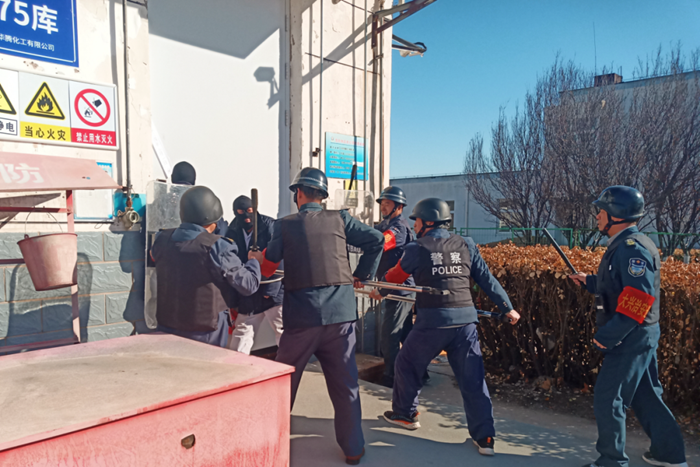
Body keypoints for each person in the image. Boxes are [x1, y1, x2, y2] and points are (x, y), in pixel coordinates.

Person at [248, 167, 384, 465]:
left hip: (302, 320)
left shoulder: (284, 226)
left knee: (284, 381)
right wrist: (361, 275)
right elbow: (377, 240)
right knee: (345, 386)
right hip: (341, 318)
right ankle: (353, 449)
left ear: (298, 193)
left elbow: (269, 269)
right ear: (322, 196)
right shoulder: (341, 219)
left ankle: (266, 443)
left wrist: (256, 259)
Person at [378, 197, 520, 457]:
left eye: (417, 220)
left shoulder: (417, 247)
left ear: (428, 222)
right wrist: (506, 307)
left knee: (406, 363)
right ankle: (485, 438)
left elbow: (397, 276)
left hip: (432, 323)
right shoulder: (466, 244)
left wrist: (381, 289)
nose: (415, 225)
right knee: (473, 379)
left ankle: (405, 414)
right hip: (465, 322)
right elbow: (486, 278)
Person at [569, 186, 687, 467]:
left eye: (601, 211)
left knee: (609, 398)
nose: (597, 216)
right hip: (638, 334)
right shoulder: (628, 243)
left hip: (629, 336)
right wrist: (590, 281)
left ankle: (611, 462)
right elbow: (618, 285)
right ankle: (669, 454)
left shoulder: (631, 248)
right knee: (646, 396)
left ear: (616, 215)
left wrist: (608, 336)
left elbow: (638, 300)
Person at [151, 186, 261, 347]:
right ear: (214, 217)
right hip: (205, 332)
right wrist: (254, 261)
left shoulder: (161, 239)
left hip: (167, 327)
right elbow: (249, 285)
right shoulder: (217, 246)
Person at [367, 186, 417, 388]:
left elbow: (382, 243)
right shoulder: (385, 224)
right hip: (396, 289)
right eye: (382, 204)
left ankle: (391, 378)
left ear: (399, 207)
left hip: (399, 290)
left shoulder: (399, 228)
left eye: (387, 204)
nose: (383, 207)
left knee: (390, 336)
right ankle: (418, 373)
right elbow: (372, 236)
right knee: (406, 335)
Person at [225, 195, 284, 354]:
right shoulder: (232, 229)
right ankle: (236, 365)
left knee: (282, 330)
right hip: (248, 291)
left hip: (272, 291)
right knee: (242, 330)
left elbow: (279, 258)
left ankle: (291, 364)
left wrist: (270, 290)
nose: (246, 216)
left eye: (250, 211)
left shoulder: (270, 226)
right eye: (240, 212)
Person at [171, 161, 228, 235]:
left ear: (172, 178)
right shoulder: (205, 201)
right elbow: (221, 228)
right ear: (194, 179)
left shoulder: (163, 202)